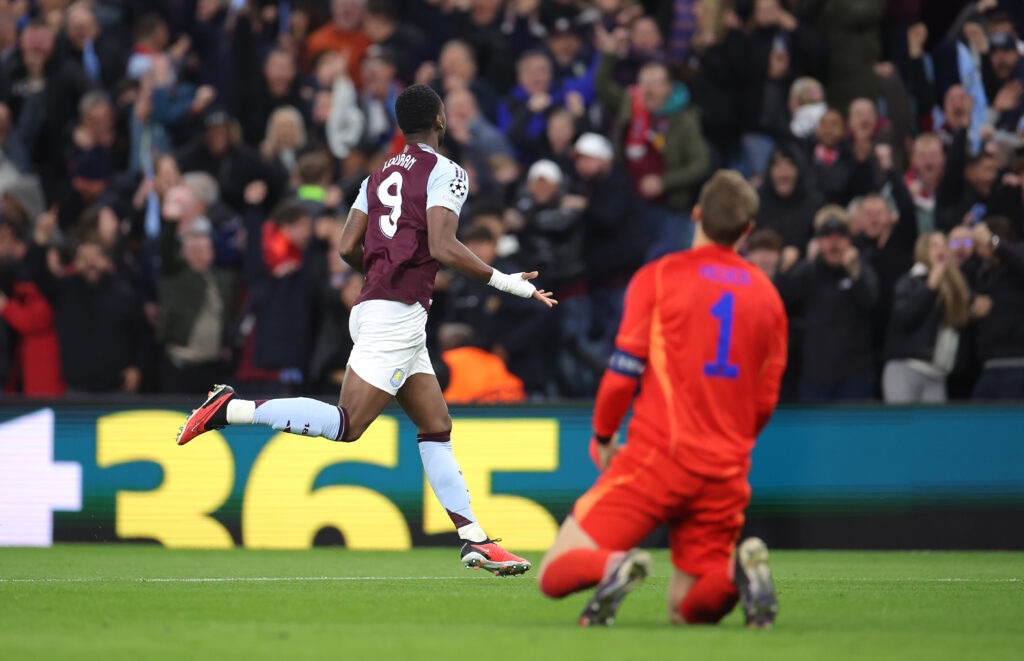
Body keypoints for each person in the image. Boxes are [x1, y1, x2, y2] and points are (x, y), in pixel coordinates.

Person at [176, 84, 556, 575]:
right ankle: (233, 409)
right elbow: (442, 244)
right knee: (348, 425)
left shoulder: (377, 176)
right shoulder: (448, 172)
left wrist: (384, 269)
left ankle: (475, 539)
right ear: (440, 120)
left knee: (436, 426)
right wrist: (509, 282)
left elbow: (346, 245)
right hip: (394, 314)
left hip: (386, 307)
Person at [537, 170, 786, 628]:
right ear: (747, 230)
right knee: (687, 611)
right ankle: (737, 576)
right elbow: (766, 400)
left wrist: (604, 434)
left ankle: (614, 568)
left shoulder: (661, 277)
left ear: (696, 215)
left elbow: (621, 376)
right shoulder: (768, 297)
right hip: (725, 470)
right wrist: (729, 444)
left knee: (553, 572)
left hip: (658, 459)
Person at [776, 205, 879, 401]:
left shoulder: (861, 269)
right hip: (816, 375)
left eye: (840, 235)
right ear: (818, 241)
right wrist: (782, 271)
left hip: (855, 374)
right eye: (827, 236)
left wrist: (856, 273)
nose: (834, 242)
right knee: (815, 432)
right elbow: (779, 301)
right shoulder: (807, 272)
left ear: (849, 240)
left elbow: (871, 303)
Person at [882, 232, 971, 403]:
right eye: (934, 245)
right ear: (923, 250)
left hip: (938, 373)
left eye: (944, 244)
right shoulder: (910, 281)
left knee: (935, 429)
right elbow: (904, 319)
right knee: (903, 428)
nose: (941, 249)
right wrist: (931, 285)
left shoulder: (956, 285)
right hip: (906, 367)